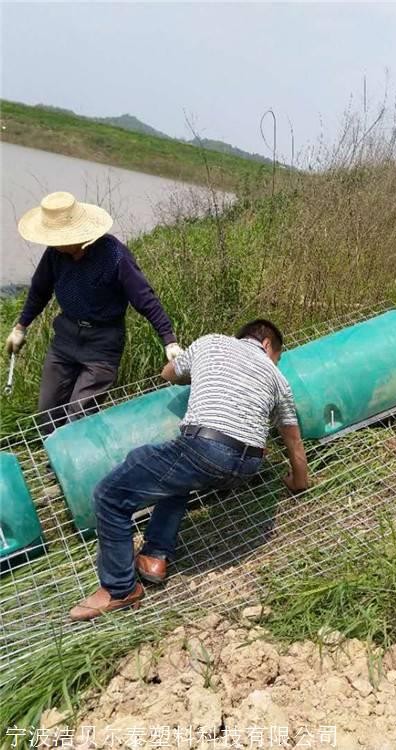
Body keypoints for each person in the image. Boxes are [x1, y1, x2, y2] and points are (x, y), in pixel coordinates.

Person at [69, 318, 310, 621]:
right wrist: (298, 481)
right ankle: (155, 555)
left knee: (108, 495)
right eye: (278, 356)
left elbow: (168, 374)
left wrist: (190, 369)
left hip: (206, 450)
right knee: (176, 474)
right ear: (266, 345)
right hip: (247, 465)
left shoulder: (211, 342)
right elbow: (293, 438)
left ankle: (120, 590)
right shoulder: (279, 379)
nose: (275, 362)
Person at [5, 191, 182, 432]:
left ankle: (70, 465)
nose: (53, 243)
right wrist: (20, 327)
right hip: (66, 337)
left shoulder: (114, 255)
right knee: (48, 412)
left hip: (102, 343)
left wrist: (169, 340)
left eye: (58, 238)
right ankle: (52, 457)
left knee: (79, 417)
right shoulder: (55, 254)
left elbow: (144, 299)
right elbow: (39, 291)